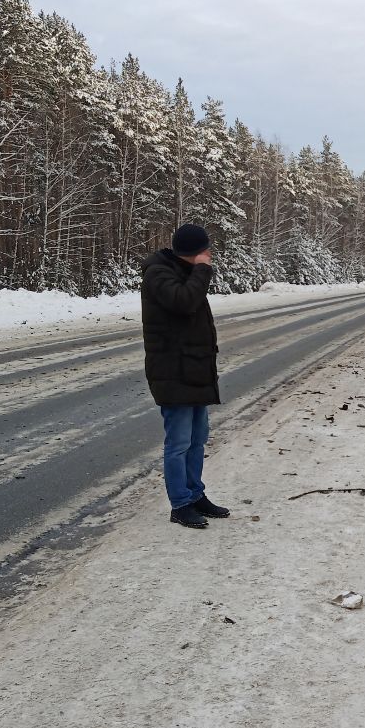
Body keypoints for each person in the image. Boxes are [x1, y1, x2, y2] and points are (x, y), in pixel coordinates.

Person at [141, 224, 231, 529]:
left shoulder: (181, 271)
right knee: (178, 443)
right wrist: (202, 271)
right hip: (172, 372)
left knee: (197, 439)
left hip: (192, 370)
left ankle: (195, 495)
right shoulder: (159, 273)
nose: (209, 254)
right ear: (194, 252)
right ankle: (180, 504)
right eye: (205, 250)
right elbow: (184, 302)